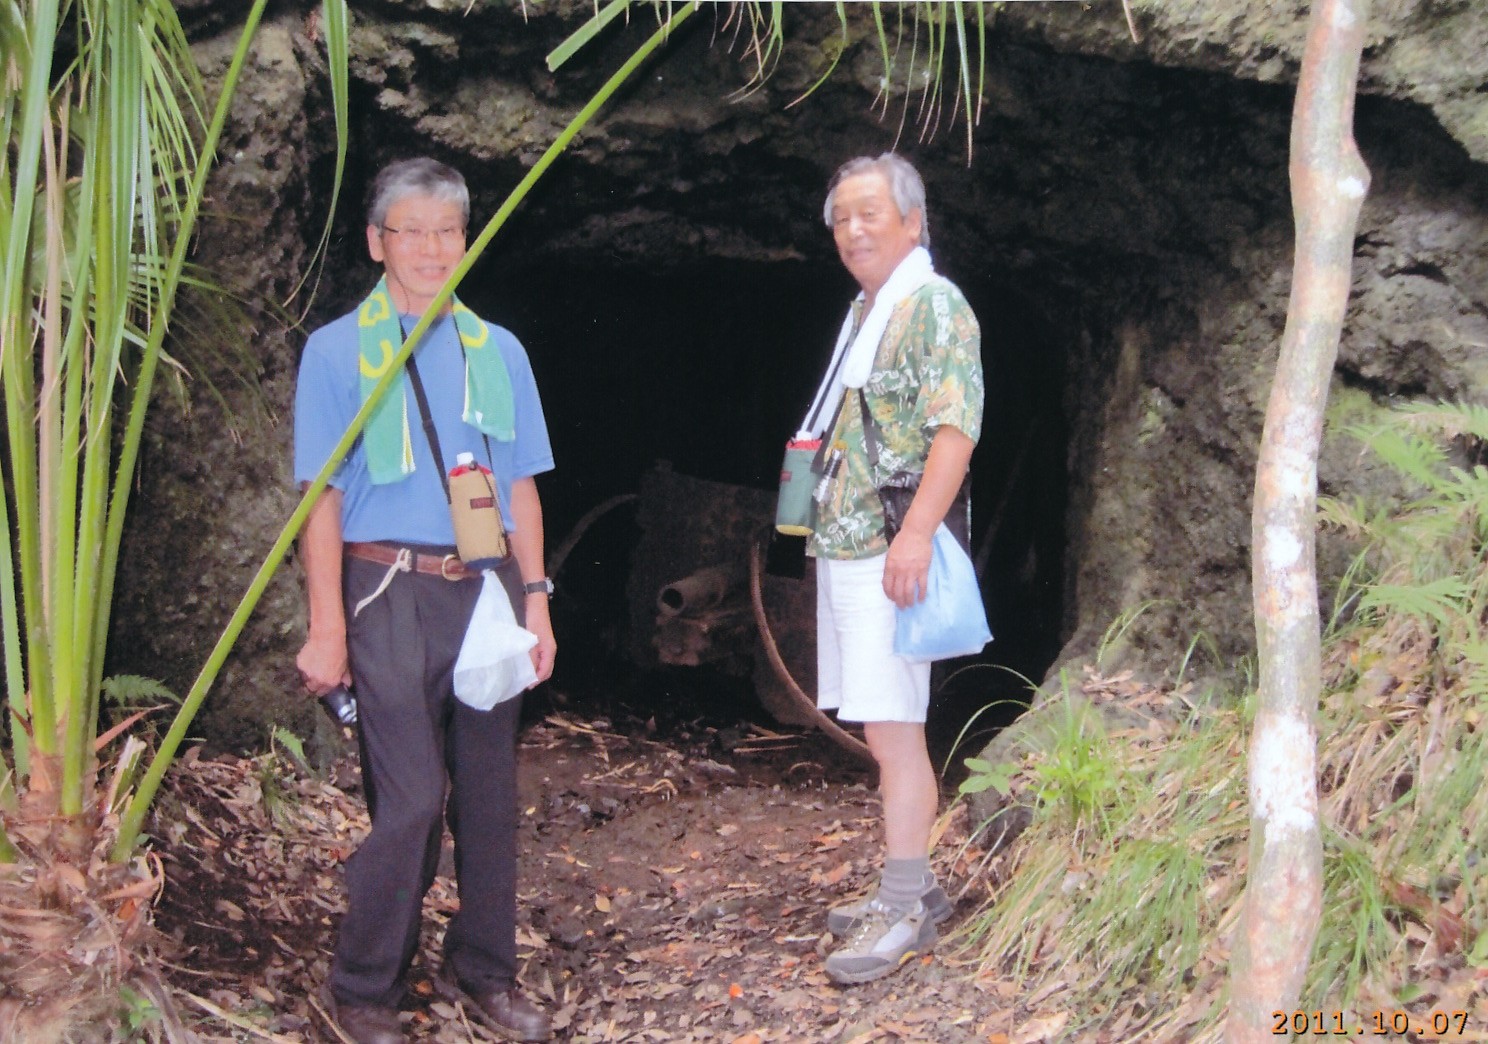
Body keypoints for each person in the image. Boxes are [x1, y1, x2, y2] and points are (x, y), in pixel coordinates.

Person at [293, 157, 556, 1043]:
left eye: (448, 231)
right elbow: (321, 500)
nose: (432, 248)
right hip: (385, 588)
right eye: (412, 231)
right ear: (379, 242)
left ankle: (484, 971)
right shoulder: (336, 351)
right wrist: (326, 627)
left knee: (487, 793)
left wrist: (537, 601)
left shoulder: (497, 350)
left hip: (483, 589)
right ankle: (366, 985)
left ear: (466, 240)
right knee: (409, 800)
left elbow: (519, 487)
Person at [799, 153, 983, 984]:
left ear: (913, 222)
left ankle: (904, 907)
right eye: (841, 218)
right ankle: (916, 886)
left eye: (869, 214)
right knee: (882, 726)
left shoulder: (932, 305)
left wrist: (914, 536)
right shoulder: (869, 309)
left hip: (886, 549)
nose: (852, 230)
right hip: (850, 544)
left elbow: (956, 428)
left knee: (895, 730)